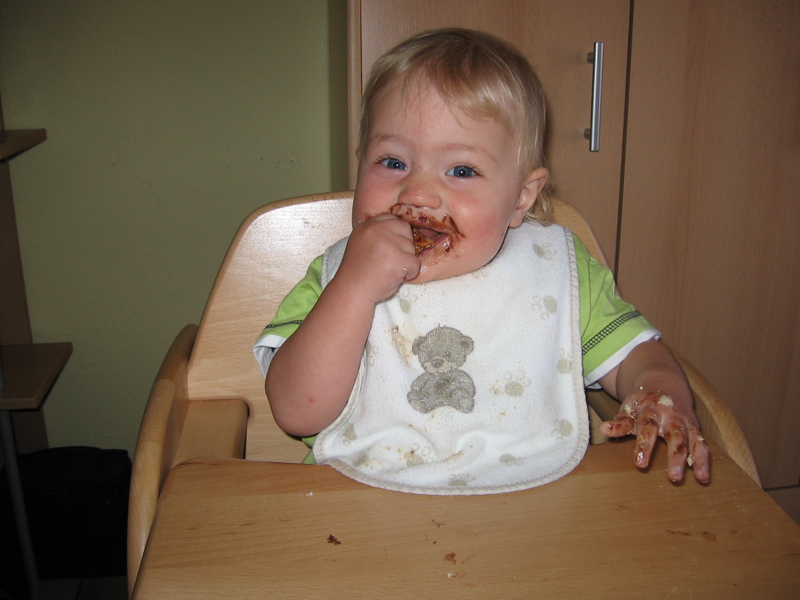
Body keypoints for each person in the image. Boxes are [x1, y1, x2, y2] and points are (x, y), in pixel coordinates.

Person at [254, 28, 710, 495]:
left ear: (521, 198)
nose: (418, 193)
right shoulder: (337, 277)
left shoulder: (552, 271)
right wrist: (353, 289)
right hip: (358, 502)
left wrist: (658, 393)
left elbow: (638, 357)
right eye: (392, 162)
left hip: (533, 504)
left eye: (461, 170)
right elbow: (297, 413)